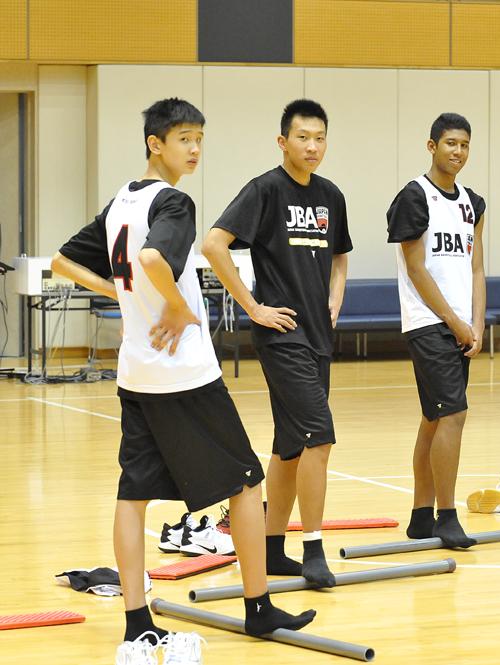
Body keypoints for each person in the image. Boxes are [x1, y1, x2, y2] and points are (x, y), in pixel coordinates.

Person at [51, 98, 315, 662]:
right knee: (246, 483)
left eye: (199, 139)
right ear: (156, 144)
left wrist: (117, 292)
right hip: (183, 373)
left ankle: (136, 623)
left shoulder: (121, 201)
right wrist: (176, 306)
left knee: (133, 494)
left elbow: (62, 262)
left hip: (135, 373)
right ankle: (259, 608)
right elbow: (153, 260)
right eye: (184, 139)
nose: (195, 149)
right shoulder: (174, 201)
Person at [202, 99, 351, 587]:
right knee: (319, 437)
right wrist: (253, 307)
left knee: (290, 447)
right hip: (282, 337)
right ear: (283, 142)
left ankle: (269, 548)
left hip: (319, 336)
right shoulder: (265, 189)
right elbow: (213, 245)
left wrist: (335, 297)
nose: (312, 146)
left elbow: (341, 256)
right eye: (303, 137)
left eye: (320, 138)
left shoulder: (331, 195)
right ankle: (313, 546)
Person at [386, 112, 486, 549]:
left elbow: (476, 267)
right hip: (428, 322)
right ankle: (447, 515)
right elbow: (416, 268)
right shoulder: (414, 196)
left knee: (433, 418)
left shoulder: (473, 203)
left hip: (461, 326)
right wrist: (454, 322)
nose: (457, 151)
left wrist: (476, 324)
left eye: (464, 144)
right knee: (453, 415)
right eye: (450, 143)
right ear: (432, 146)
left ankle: (420, 516)